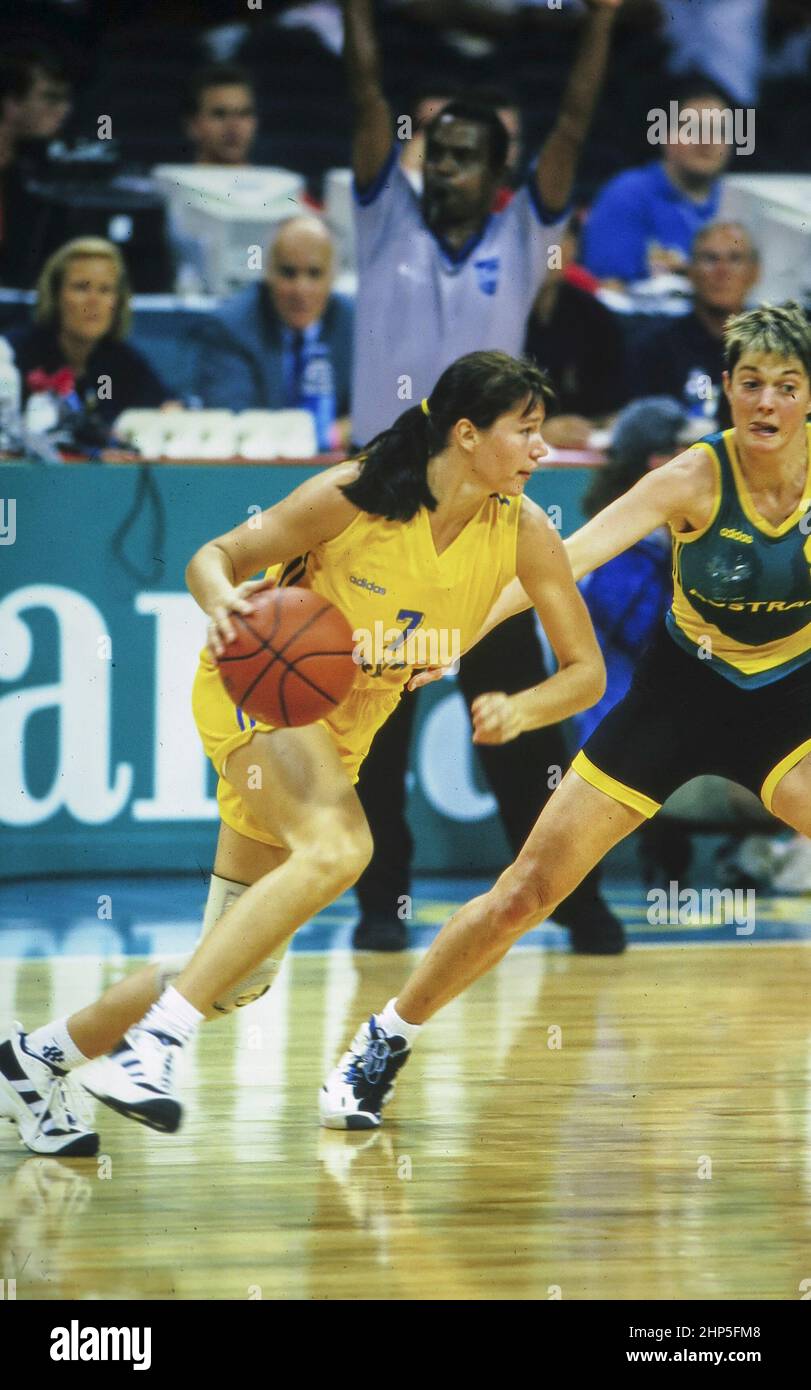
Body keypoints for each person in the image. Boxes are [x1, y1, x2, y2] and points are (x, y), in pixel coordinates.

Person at [0, 350, 606, 1154]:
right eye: (524, 432)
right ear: (466, 434)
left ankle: (34, 1059)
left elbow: (585, 673)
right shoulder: (355, 495)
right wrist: (223, 606)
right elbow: (211, 558)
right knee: (342, 848)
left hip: (340, 728)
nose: (542, 450)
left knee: (235, 973)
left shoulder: (524, 531)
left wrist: (519, 706)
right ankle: (152, 1049)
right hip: (261, 694)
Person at [320, 300, 811, 1130]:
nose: (765, 403)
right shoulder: (692, 477)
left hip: (788, 702)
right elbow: (569, 557)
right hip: (679, 698)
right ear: (725, 389)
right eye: (750, 384)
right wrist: (455, 636)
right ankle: (382, 1040)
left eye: (787, 387)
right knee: (526, 892)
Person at [344, 0, 626, 953]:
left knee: (522, 733)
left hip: (488, 520)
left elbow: (575, 127)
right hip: (383, 512)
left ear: (499, 174)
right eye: (437, 150)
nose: (443, 167)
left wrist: (600, 23)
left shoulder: (520, 239)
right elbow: (364, 90)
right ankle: (380, 902)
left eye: (464, 154)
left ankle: (569, 901)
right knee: (374, 724)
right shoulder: (383, 216)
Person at [197, 214, 354, 450]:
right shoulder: (231, 328)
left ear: (333, 277)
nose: (301, 289)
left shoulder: (358, 328)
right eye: (288, 273)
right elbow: (236, 426)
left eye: (314, 273)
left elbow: (382, 415)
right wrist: (328, 436)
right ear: (267, 272)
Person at [5, 236, 177, 431]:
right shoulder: (14, 354)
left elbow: (167, 409)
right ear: (55, 295)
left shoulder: (122, 363)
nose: (94, 301)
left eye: (105, 290)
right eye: (81, 287)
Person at [581, 77, 734, 287]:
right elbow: (607, 286)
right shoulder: (628, 193)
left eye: (719, 131)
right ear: (665, 136)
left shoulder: (739, 200)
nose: (706, 141)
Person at [631, 221, 760, 425]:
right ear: (690, 271)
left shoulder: (776, 350)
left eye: (735, 259)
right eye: (710, 259)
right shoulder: (655, 346)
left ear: (754, 273)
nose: (722, 271)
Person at [524, 211, 628, 448]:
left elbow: (614, 406)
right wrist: (537, 430)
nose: (547, 253)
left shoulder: (594, 317)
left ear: (572, 249)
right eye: (534, 239)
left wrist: (601, 424)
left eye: (557, 241)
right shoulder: (493, 314)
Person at [0, 48, 73, 287]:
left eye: (65, 99)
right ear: (11, 104)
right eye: (51, 97)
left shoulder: (32, 179)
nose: (64, 110)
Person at [182, 63, 258, 167]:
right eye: (220, 114)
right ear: (192, 125)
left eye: (244, 113)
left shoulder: (278, 182)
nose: (234, 126)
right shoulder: (167, 182)